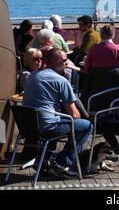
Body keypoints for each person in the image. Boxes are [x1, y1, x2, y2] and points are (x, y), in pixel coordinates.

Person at [22, 48, 93, 178]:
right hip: (47, 127)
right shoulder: (61, 81)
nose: (67, 63)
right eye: (65, 60)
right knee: (86, 126)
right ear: (56, 61)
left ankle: (44, 161)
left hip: (28, 127)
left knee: (58, 118)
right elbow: (74, 115)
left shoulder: (32, 75)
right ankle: (61, 164)